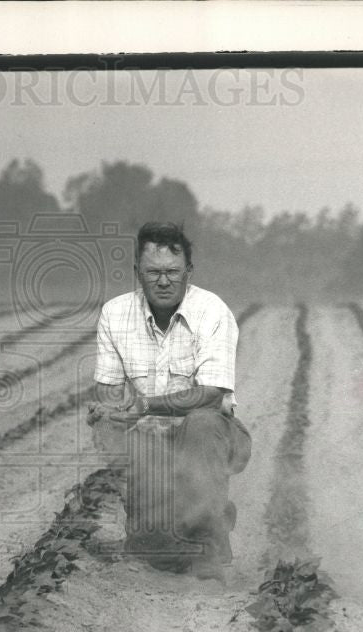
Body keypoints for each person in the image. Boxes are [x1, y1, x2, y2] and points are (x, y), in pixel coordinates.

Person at [86, 221, 251, 582]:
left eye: (173, 272)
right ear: (137, 273)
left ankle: (209, 532)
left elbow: (210, 394)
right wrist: (108, 410)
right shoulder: (115, 314)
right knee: (155, 553)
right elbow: (108, 387)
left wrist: (143, 406)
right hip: (148, 438)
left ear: (188, 272)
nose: (163, 281)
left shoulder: (212, 311)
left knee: (201, 423)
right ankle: (159, 528)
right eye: (153, 272)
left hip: (211, 438)